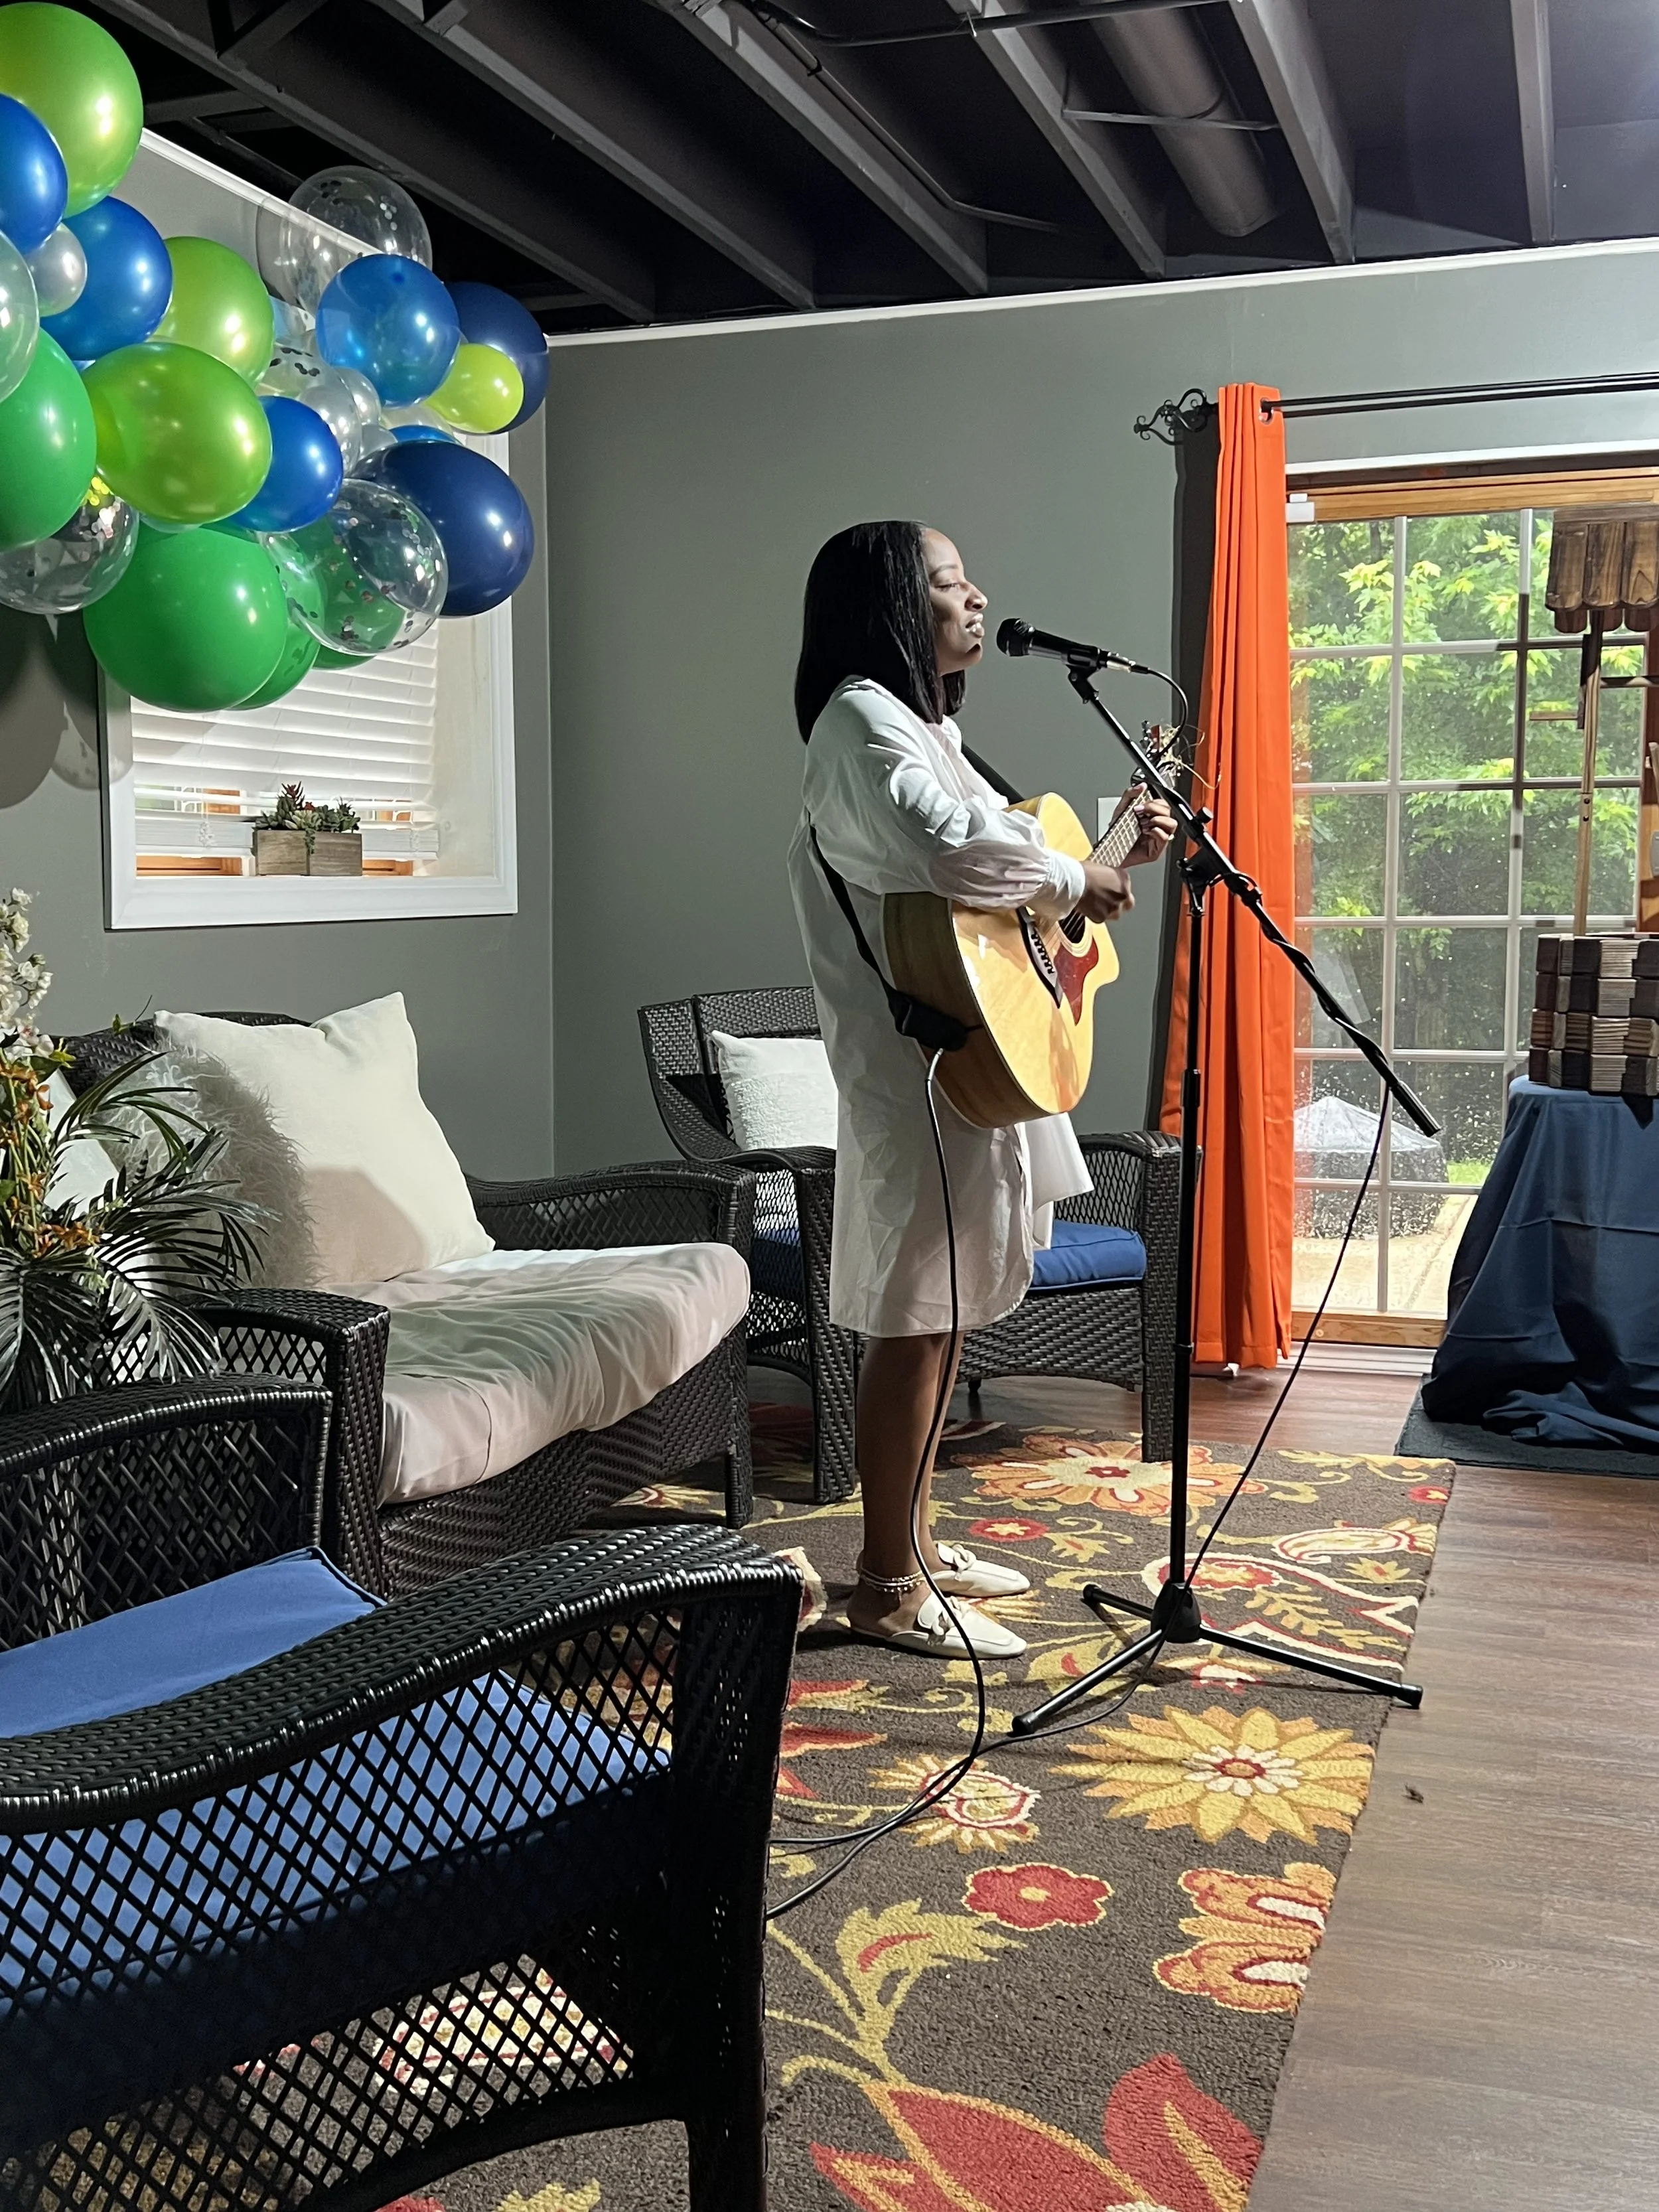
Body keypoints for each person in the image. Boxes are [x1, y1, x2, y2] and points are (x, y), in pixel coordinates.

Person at [788, 520, 1175, 1659]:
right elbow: (953, 855)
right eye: (950, 582)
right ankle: (883, 1583)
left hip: (958, 1060)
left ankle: (905, 1535)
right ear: (895, 604)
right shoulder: (860, 723)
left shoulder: (928, 728)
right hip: (914, 1070)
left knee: (947, 1307)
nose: (977, 597)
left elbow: (990, 912)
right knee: (915, 1319)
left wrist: (1102, 868)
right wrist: (1080, 873)